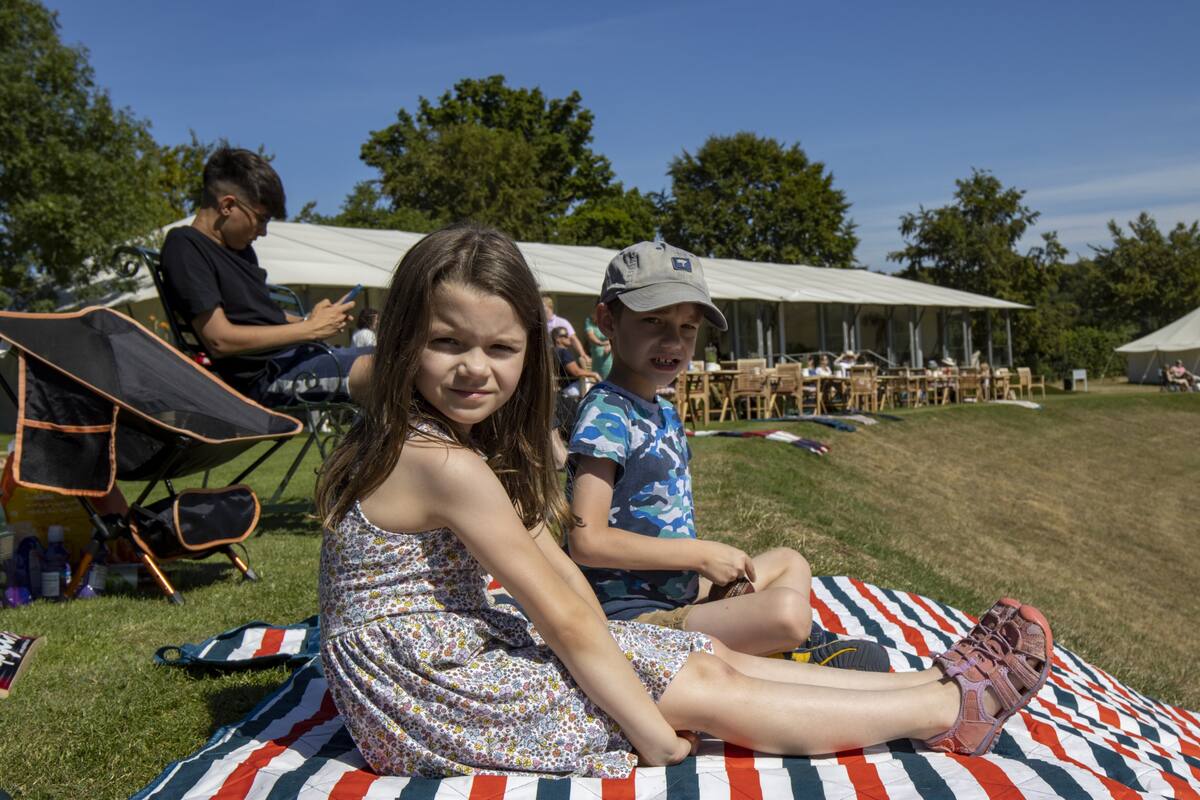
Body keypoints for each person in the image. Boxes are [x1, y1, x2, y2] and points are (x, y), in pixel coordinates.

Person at [313, 223, 1056, 778]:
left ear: (529, 353)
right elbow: (566, 615)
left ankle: (933, 682)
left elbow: (565, 584)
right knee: (694, 681)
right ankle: (946, 711)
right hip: (423, 693)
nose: (475, 369)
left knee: (687, 651)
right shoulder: (444, 462)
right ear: (406, 338)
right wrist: (653, 737)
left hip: (446, 658)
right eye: (448, 344)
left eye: (501, 349)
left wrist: (632, 657)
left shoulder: (445, 438)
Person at [564, 243, 876, 665]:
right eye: (653, 320)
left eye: (688, 327)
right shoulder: (607, 413)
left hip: (682, 600)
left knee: (789, 561)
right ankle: (786, 656)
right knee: (786, 613)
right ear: (608, 321)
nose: (672, 340)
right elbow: (587, 540)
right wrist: (701, 554)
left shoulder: (664, 411)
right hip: (631, 619)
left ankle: (788, 649)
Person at [159, 147, 368, 404]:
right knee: (396, 370)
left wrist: (309, 320)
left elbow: (261, 316)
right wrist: (309, 329)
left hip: (298, 358)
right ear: (227, 206)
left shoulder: (241, 251)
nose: (263, 232)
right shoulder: (185, 246)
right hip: (268, 375)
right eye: (261, 219)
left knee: (408, 356)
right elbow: (219, 339)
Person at [542, 295, 590, 368]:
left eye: (543, 306)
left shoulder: (562, 322)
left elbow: (573, 339)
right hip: (543, 357)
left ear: (550, 307)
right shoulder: (539, 323)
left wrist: (583, 354)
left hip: (558, 358)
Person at [584, 314, 613, 378]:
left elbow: (615, 335)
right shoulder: (589, 321)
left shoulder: (610, 320)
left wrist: (610, 345)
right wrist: (601, 343)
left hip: (610, 355)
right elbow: (590, 336)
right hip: (596, 355)